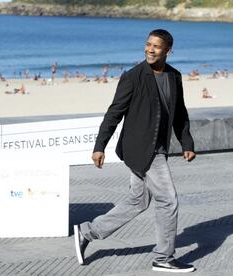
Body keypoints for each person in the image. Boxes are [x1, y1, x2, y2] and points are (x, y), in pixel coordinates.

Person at [73, 29, 196, 273]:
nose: (150, 49)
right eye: (148, 44)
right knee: (168, 200)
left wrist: (187, 143)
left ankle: (88, 231)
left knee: (138, 200)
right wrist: (100, 146)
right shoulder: (133, 77)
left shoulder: (174, 76)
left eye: (156, 46)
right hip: (141, 148)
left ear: (168, 50)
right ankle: (163, 257)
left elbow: (179, 112)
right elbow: (114, 113)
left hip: (158, 146)